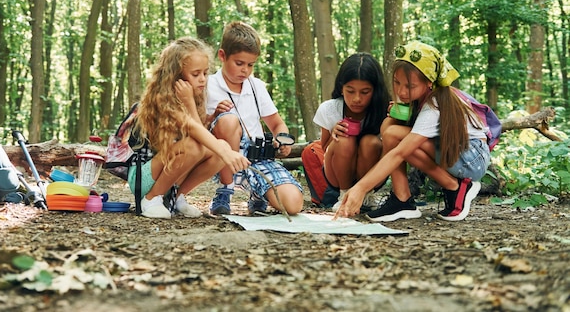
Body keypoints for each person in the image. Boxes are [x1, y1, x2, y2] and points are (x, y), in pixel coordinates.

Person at [335, 40, 491, 222]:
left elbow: (400, 153)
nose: (401, 91)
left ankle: (455, 188)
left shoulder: (434, 107)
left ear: (429, 83)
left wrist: (360, 188)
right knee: (389, 128)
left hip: (471, 158)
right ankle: (402, 200)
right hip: (458, 151)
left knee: (394, 135)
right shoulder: (425, 99)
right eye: (396, 82)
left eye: (410, 86)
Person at [133, 37, 251, 219]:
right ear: (176, 74)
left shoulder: (193, 96)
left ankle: (177, 197)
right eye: (196, 74)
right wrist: (188, 102)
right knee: (201, 146)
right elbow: (195, 132)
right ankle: (151, 198)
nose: (203, 80)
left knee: (219, 148)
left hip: (170, 174)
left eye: (205, 73)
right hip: (145, 177)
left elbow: (200, 133)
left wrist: (196, 107)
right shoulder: (162, 98)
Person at [206, 21, 304, 216]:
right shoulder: (208, 85)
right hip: (222, 157)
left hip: (257, 157)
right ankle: (225, 190)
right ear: (222, 56)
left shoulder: (256, 86)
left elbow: (276, 123)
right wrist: (214, 115)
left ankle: (258, 195)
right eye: (239, 63)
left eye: (251, 65)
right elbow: (196, 125)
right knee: (228, 120)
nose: (245, 70)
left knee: (293, 205)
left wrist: (282, 139)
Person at [311, 52, 389, 211]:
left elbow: (391, 152)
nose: (357, 99)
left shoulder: (385, 111)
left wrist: (392, 120)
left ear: (375, 90)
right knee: (344, 138)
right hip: (337, 175)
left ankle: (367, 195)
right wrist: (334, 133)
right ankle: (344, 195)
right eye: (350, 91)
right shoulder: (330, 109)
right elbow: (324, 149)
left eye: (365, 92)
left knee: (370, 142)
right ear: (341, 88)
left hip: (373, 174)